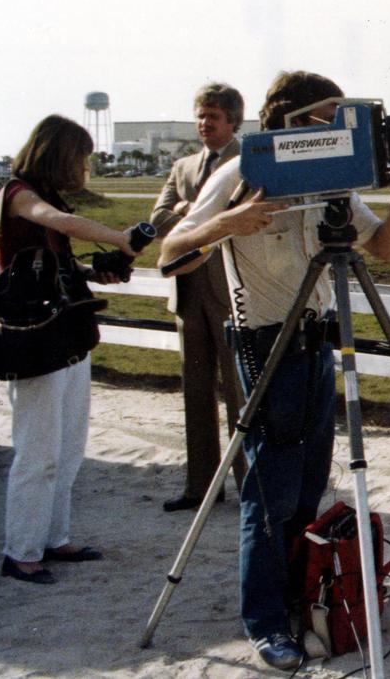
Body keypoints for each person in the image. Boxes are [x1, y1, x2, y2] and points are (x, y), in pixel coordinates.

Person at [158, 71, 390, 671]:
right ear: (290, 121)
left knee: (310, 485)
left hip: (316, 346)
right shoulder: (241, 172)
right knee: (269, 492)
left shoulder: (333, 183)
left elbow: (380, 248)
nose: (334, 130)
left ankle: (305, 598)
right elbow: (172, 253)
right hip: (263, 345)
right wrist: (230, 223)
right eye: (323, 118)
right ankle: (266, 621)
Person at [0, 115, 145, 585]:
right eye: (80, 156)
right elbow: (55, 222)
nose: (85, 165)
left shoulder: (45, 195)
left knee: (68, 446)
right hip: (35, 339)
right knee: (38, 450)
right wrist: (117, 237)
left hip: (64, 335)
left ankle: (54, 536)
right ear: (60, 154)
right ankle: (20, 551)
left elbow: (51, 262)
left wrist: (90, 269)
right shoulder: (19, 194)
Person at [151, 83, 248, 512]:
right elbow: (157, 218)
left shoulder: (249, 163)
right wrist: (193, 215)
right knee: (196, 391)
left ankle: (250, 486)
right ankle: (200, 487)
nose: (204, 124)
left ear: (233, 122)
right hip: (188, 293)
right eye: (200, 116)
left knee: (240, 393)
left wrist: (190, 216)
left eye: (213, 117)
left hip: (231, 292)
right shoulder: (183, 166)